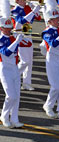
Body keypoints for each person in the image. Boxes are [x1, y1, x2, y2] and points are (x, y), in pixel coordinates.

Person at [0, 0, 24, 128]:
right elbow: (7, 52)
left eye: (10, 28)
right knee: (11, 95)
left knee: (17, 95)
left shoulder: (12, 37)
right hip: (5, 68)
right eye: (7, 28)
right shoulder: (1, 39)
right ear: (1, 28)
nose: (9, 30)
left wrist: (21, 38)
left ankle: (14, 118)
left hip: (14, 67)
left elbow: (24, 45)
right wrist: (16, 41)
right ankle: (4, 116)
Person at [11, 0, 41, 91]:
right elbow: (22, 20)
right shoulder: (14, 10)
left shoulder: (27, 8)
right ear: (18, 1)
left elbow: (38, 18)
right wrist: (33, 11)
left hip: (28, 33)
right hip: (19, 35)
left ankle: (26, 83)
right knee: (25, 61)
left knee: (30, 61)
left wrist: (34, 9)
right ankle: (12, 77)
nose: (25, 1)